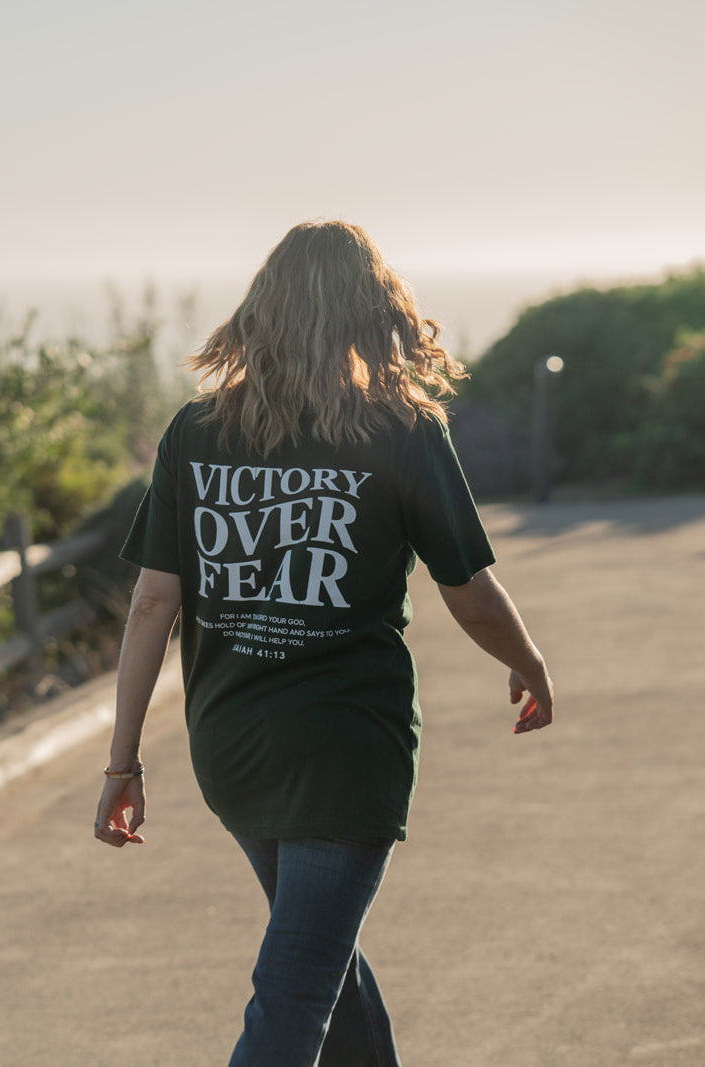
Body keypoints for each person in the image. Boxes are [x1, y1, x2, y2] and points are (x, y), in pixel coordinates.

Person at [93, 220, 554, 1066]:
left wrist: (123, 764)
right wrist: (528, 662)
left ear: (262, 310)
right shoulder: (403, 431)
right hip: (347, 750)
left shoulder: (197, 431)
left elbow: (154, 601)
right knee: (299, 987)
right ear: (375, 312)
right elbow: (469, 590)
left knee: (318, 961)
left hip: (234, 748)